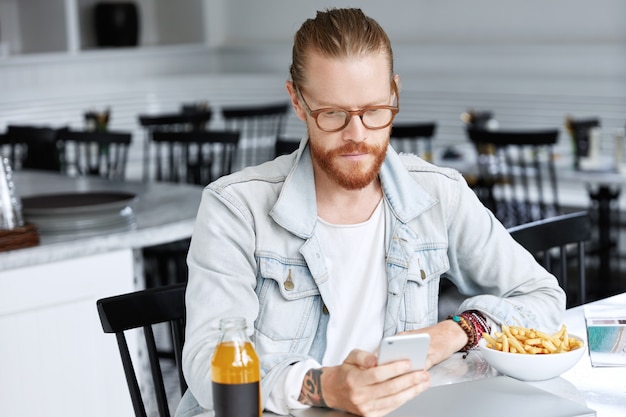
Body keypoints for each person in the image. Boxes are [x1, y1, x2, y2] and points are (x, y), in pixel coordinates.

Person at [176, 8, 565, 417]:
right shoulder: (235, 208)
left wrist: (458, 331)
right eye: (333, 115)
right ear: (297, 101)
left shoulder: (437, 193)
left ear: (394, 92)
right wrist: (322, 387)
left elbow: (543, 299)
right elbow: (207, 364)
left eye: (375, 111)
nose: (357, 135)